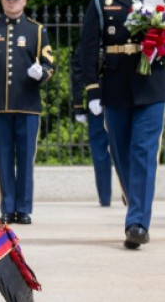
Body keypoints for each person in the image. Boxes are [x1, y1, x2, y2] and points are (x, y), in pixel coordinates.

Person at [79, 0, 165, 249]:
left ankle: (137, 223)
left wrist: (157, 50)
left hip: (150, 88)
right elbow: (87, 49)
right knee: (122, 155)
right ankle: (133, 199)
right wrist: (93, 90)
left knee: (144, 153)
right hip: (115, 86)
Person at [0, 0, 55, 225]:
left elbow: (50, 64)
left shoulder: (36, 30)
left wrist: (42, 74)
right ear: (2, 0)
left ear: (24, 0)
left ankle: (24, 208)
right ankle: (8, 207)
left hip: (28, 106)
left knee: (26, 159)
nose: (12, 2)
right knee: (4, 158)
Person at [70, 42, 112, 207]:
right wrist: (79, 105)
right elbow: (78, 72)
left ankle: (129, 192)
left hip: (122, 98)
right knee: (99, 151)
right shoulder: (90, 38)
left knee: (125, 150)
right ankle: (105, 196)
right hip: (98, 100)